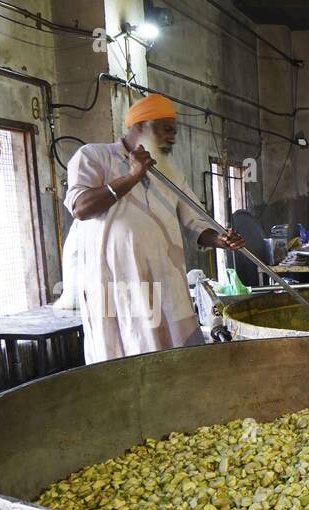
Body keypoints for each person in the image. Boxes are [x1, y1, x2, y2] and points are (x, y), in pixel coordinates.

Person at [64, 92, 245, 363]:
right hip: (119, 287)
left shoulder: (172, 175)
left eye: (174, 131)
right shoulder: (94, 157)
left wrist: (220, 239)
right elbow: (81, 207)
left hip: (166, 284)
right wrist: (133, 176)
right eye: (166, 130)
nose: (172, 137)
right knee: (125, 361)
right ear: (141, 126)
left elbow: (195, 223)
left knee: (174, 362)